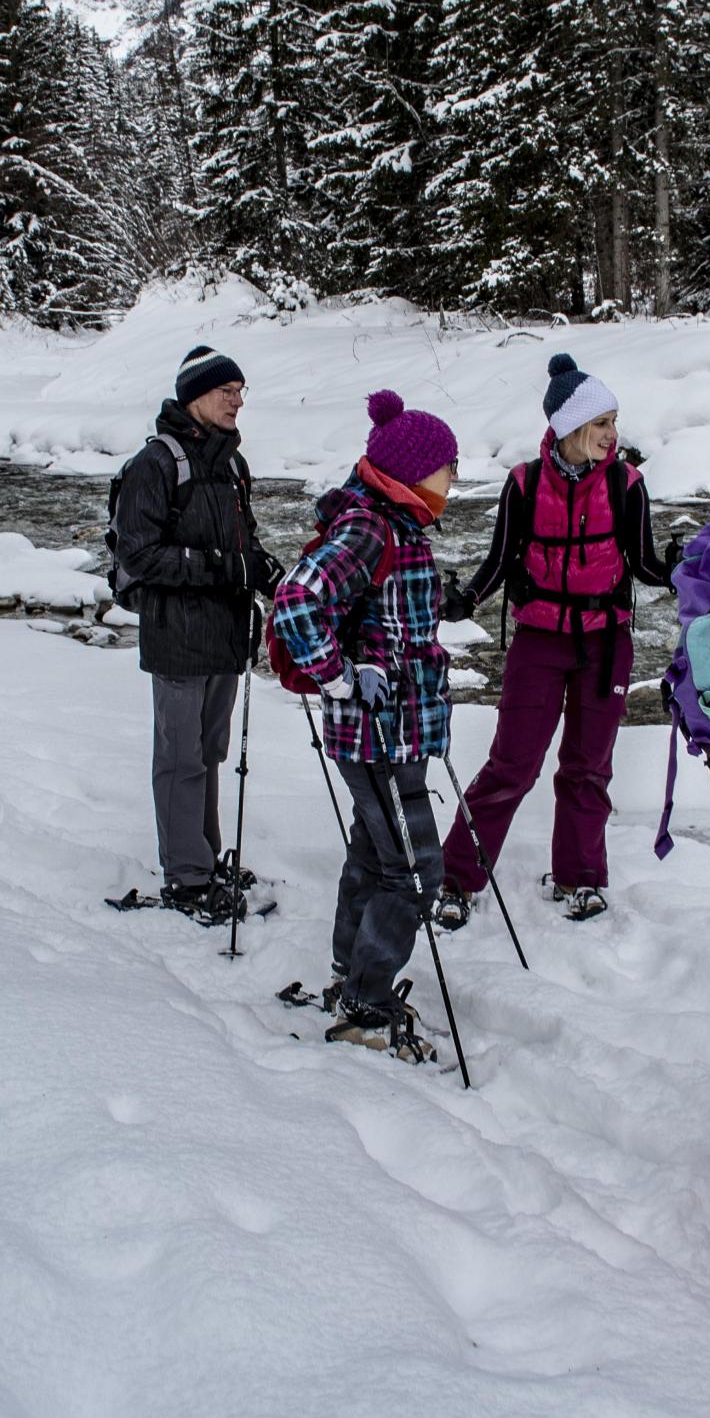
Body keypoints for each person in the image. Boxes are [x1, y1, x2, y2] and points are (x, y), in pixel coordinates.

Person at [436, 352, 674, 926]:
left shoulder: (626, 483)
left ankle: (581, 877)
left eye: (613, 422)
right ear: (569, 426)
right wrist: (466, 597)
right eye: (601, 424)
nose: (611, 435)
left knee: (588, 768)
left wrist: (674, 567)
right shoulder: (525, 483)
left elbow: (641, 562)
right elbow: (501, 558)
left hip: (605, 643)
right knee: (512, 765)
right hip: (539, 639)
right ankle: (456, 877)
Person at [269, 390, 460, 1062]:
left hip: (391, 733)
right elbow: (297, 599)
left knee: (376, 856)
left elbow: (389, 621)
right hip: (380, 736)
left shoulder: (395, 524)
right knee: (415, 873)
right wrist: (339, 677)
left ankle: (349, 978)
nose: (453, 478)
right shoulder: (373, 527)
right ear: (412, 472)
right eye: (447, 466)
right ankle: (365, 1004)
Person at [107, 345, 280, 924]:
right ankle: (187, 876)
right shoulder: (155, 464)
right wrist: (223, 567)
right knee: (180, 756)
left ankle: (203, 857)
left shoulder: (232, 463)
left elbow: (243, 540)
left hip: (226, 633)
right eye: (227, 391)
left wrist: (263, 569)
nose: (237, 401)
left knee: (209, 751)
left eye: (240, 391)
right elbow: (140, 553)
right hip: (176, 635)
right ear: (195, 396)